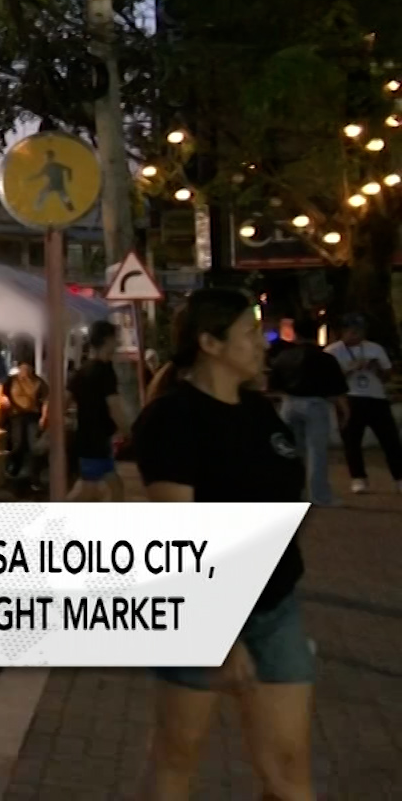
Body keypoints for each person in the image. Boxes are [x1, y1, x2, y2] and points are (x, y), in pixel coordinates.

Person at [135, 289, 313, 801]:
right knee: (176, 758)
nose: (264, 344)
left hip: (276, 608)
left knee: (288, 772)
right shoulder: (173, 419)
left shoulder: (261, 413)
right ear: (210, 343)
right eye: (251, 334)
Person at [267, 317, 348, 507]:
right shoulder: (326, 358)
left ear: (295, 332)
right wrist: (344, 411)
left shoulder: (283, 357)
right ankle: (319, 495)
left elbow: (273, 386)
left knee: (292, 451)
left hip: (289, 403)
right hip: (316, 405)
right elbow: (337, 390)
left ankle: (294, 492)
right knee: (316, 452)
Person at [324, 314, 401, 494]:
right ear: (343, 331)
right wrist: (351, 369)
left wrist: (377, 369)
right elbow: (330, 380)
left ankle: (399, 477)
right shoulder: (332, 352)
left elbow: (387, 375)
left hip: (376, 397)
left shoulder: (374, 348)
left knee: (390, 440)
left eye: (360, 331)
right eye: (352, 331)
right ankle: (358, 478)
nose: (356, 335)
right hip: (349, 398)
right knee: (352, 441)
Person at [68, 321, 132, 501]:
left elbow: (64, 399)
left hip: (89, 438)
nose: (117, 343)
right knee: (88, 492)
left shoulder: (82, 371)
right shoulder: (105, 371)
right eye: (115, 338)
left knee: (113, 487)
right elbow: (114, 406)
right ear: (108, 340)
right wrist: (128, 431)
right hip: (95, 441)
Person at [1, 353, 51, 488]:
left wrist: (44, 417)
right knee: (17, 444)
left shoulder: (39, 382)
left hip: (32, 415)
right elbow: (1, 391)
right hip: (16, 415)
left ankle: (34, 477)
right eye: (22, 369)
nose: (25, 372)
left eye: (27, 369)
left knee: (34, 447)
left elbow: (46, 400)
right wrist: (3, 400)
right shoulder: (11, 380)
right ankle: (13, 471)